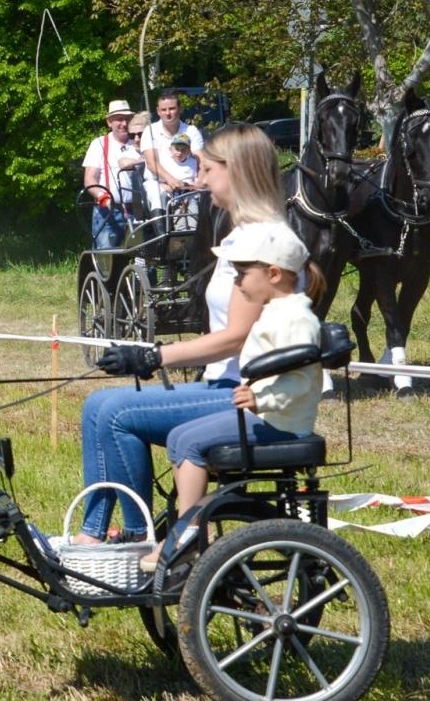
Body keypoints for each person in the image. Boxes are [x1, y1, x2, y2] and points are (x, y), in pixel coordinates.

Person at [73, 124, 324, 545]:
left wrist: (155, 357)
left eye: (208, 170)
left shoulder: (262, 241)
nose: (201, 179)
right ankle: (97, 533)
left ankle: (138, 535)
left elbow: (235, 337)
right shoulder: (244, 234)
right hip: (221, 381)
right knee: (98, 405)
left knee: (114, 413)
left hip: (242, 391)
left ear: (237, 172)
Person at [137, 222, 323, 570]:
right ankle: (191, 521)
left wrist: (259, 399)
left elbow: (302, 379)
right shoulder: (279, 311)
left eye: (241, 273)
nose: (236, 282)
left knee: (188, 443)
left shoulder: (297, 318)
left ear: (273, 273)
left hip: (281, 422)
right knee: (180, 437)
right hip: (268, 417)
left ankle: (188, 534)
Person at [81, 99, 144, 248]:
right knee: (108, 262)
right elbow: (89, 179)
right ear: (109, 122)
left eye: (127, 119)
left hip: (138, 212)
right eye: (119, 119)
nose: (124, 123)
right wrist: (103, 197)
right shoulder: (99, 144)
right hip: (108, 212)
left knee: (144, 259)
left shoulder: (138, 142)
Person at [139, 92, 203, 212]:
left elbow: (201, 160)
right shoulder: (150, 131)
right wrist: (171, 181)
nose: (168, 113)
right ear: (158, 111)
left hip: (188, 186)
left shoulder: (191, 131)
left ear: (180, 109)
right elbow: (152, 163)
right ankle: (161, 229)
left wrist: (199, 181)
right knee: (157, 194)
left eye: (172, 108)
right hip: (159, 184)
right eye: (164, 110)